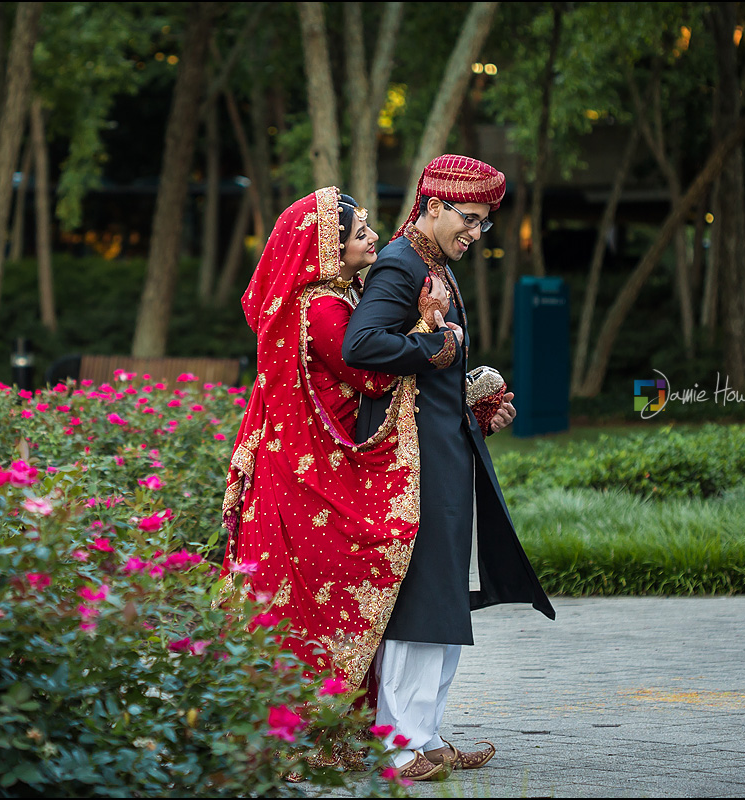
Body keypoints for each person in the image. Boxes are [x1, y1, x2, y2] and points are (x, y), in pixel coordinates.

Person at [220, 186, 452, 779]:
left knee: (301, 600)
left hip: (297, 466)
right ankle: (300, 736)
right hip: (307, 477)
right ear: (328, 244)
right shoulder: (321, 307)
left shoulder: (321, 296)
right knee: (321, 596)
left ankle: (329, 730)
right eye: (360, 231)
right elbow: (370, 379)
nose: (373, 235)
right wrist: (433, 333)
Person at [342, 154, 556, 777]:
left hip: (444, 447)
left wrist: (475, 402)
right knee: (421, 598)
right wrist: (438, 346)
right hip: (411, 460)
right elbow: (362, 344)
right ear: (434, 205)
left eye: (485, 223)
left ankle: (426, 737)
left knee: (442, 600)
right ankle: (397, 744)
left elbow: (430, 364)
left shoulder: (431, 262)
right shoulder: (400, 264)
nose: (476, 233)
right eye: (470, 219)